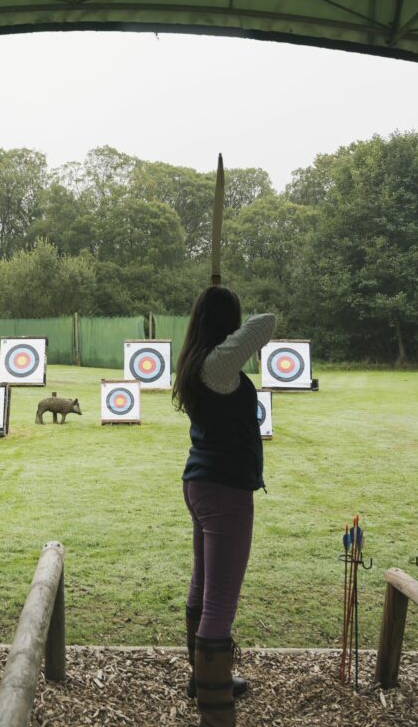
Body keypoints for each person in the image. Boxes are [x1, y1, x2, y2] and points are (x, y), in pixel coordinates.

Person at [172, 286, 275, 727]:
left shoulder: (200, 359)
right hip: (224, 492)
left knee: (204, 586)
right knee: (220, 601)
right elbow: (266, 322)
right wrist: (224, 298)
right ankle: (215, 711)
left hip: (202, 485)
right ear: (226, 324)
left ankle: (206, 679)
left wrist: (215, 304)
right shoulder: (217, 364)